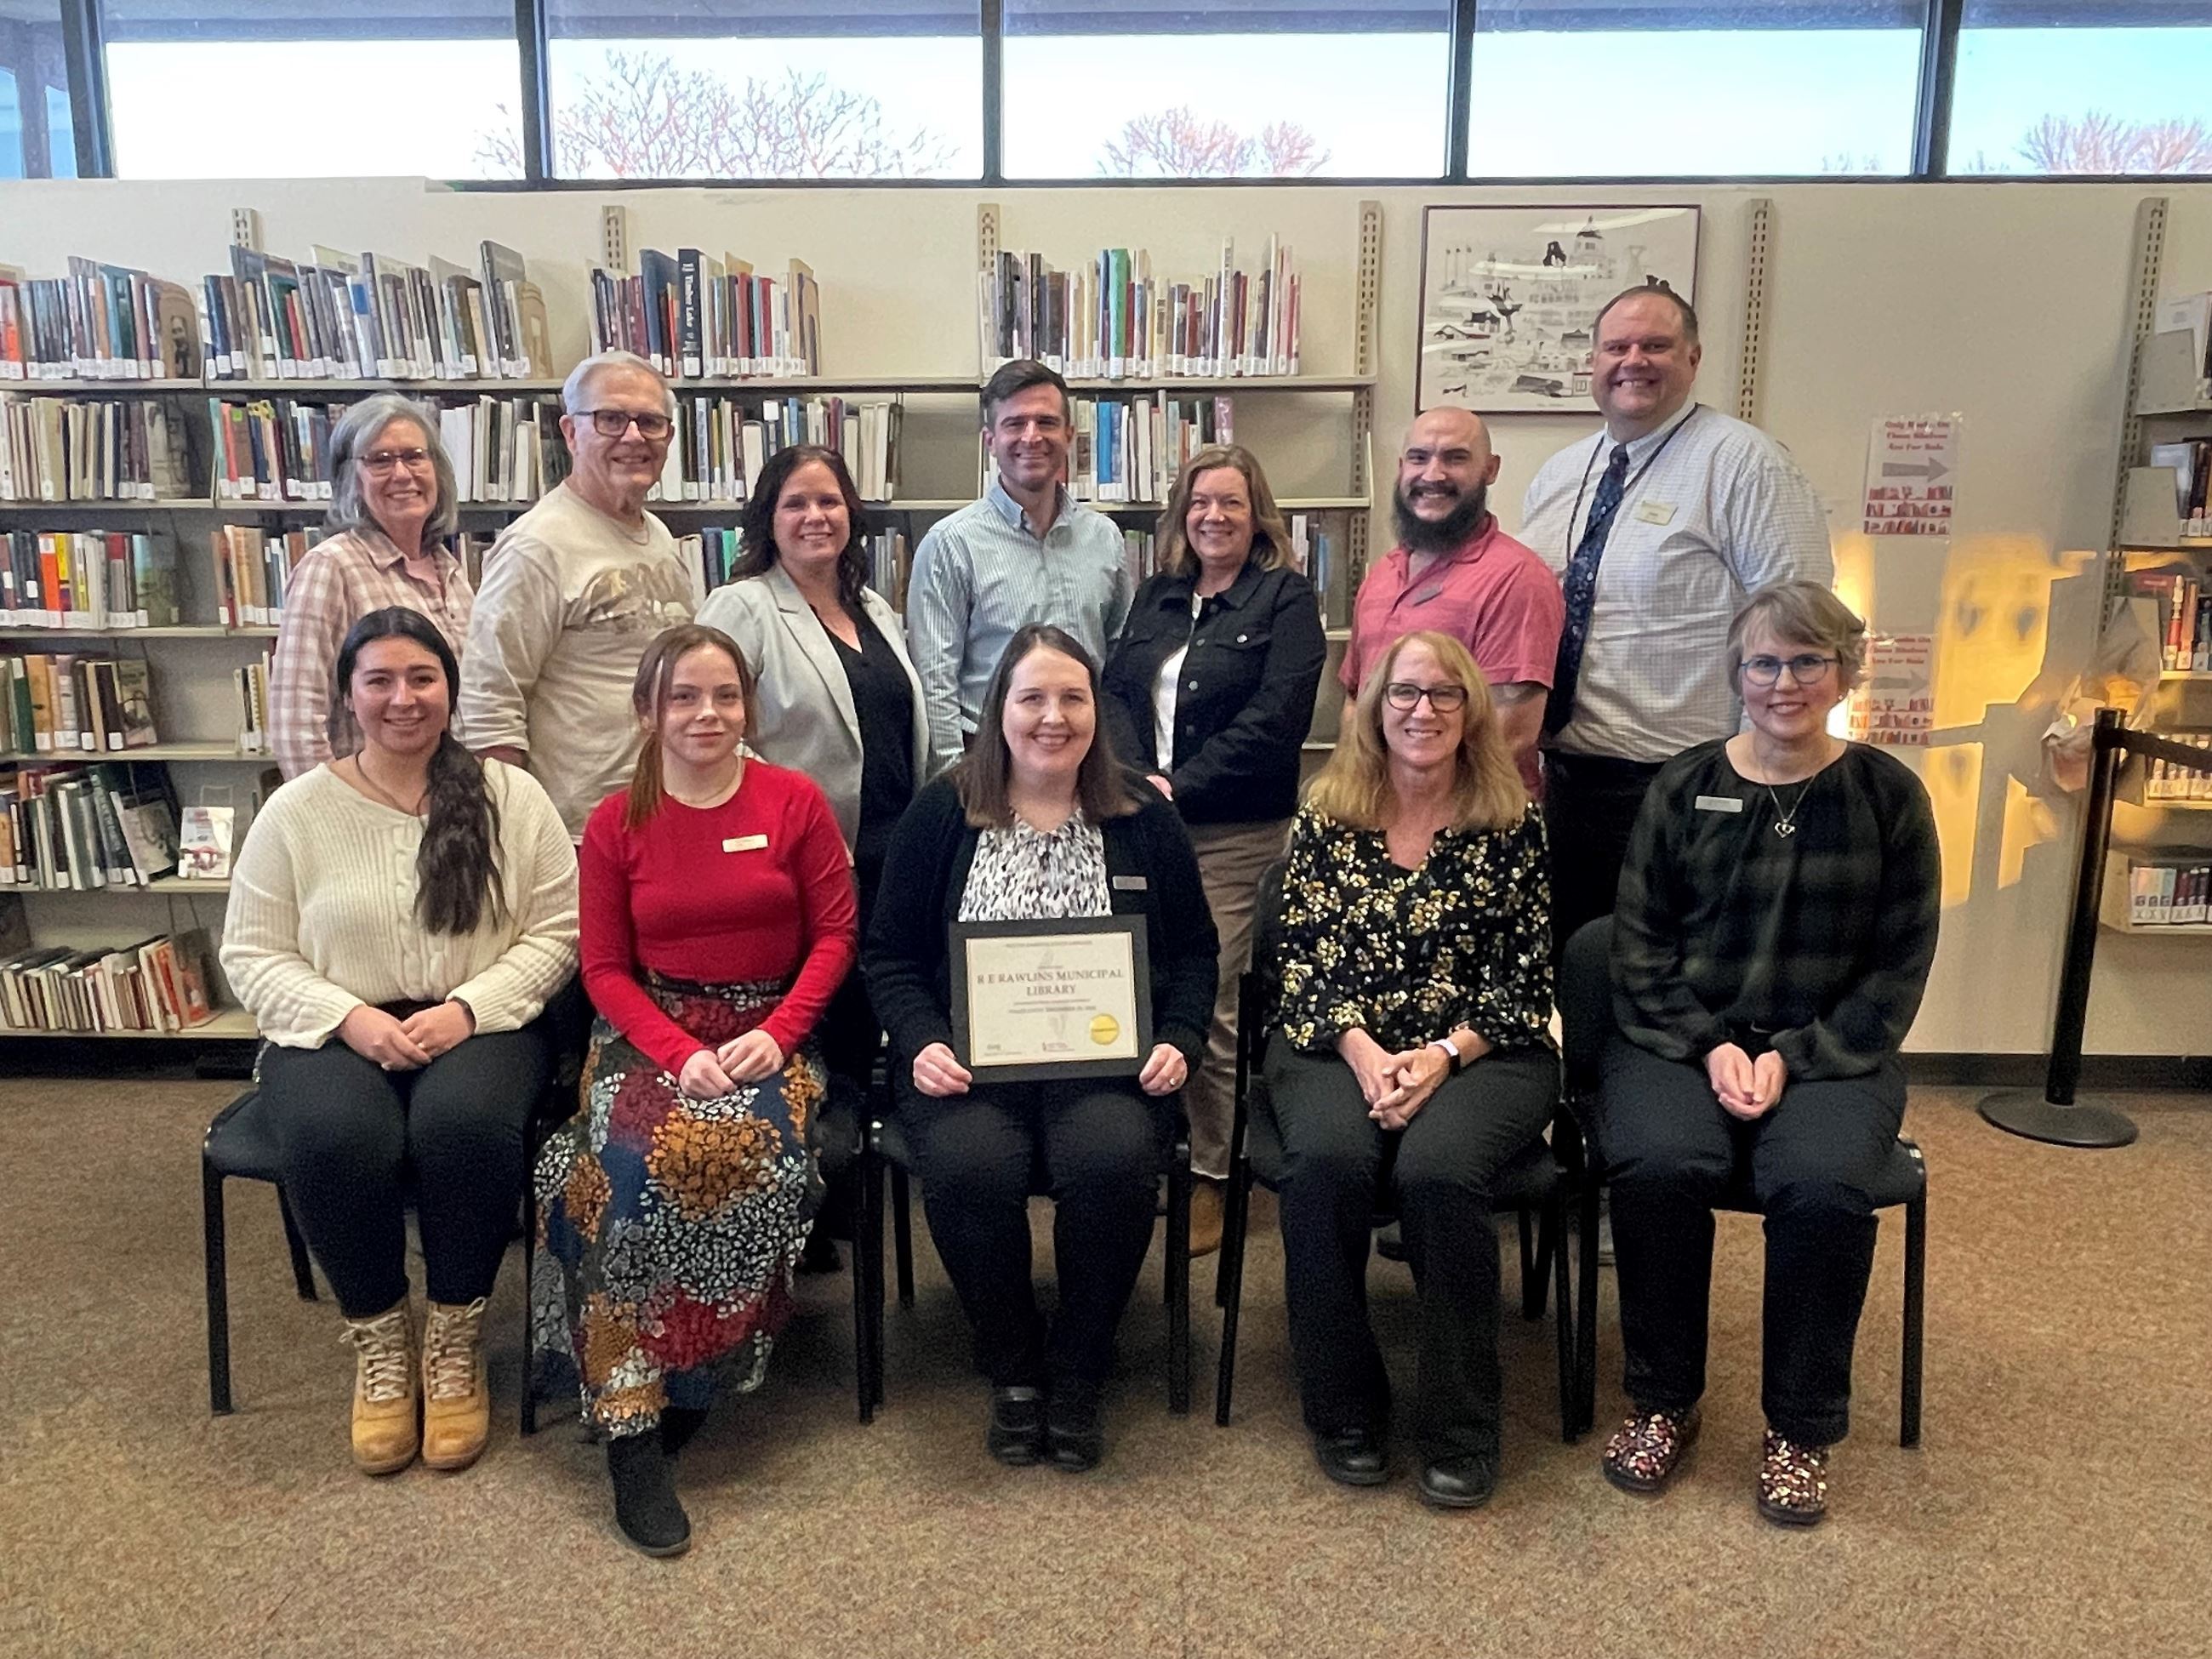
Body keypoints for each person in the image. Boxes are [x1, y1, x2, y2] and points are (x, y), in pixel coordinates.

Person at [1596, 582, 1940, 1529]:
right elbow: (1638, 950)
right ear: (1736, 673)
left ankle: (1798, 1428)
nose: (1783, 683)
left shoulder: (1888, 797)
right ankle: (1663, 1402)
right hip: (1679, 1044)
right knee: (1657, 1164)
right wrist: (1709, 1046)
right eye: (1763, 663)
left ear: (1844, 672)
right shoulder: (1681, 786)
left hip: (1832, 1053)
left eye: (1806, 661)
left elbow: (1897, 967)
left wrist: (1794, 1055)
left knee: (1823, 1186)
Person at [219, 607, 579, 1478]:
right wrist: (349, 1017)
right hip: (335, 1024)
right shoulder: (297, 811)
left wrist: (468, 1008)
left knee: (463, 1125)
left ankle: (454, 1334)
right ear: (347, 696)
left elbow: (559, 930)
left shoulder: (510, 797)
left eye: (422, 678)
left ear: (450, 690)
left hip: (480, 1019)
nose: (402, 698)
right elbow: (252, 953)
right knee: (334, 1133)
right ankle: (380, 1336)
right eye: (378, 680)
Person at [531, 623, 856, 1557]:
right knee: (620, 1173)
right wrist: (676, 1054)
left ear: (747, 707)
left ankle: (696, 1378)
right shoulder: (612, 822)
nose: (706, 714)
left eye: (724, 695)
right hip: (647, 1032)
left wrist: (775, 1035)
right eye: (682, 697)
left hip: (767, 1029)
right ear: (647, 712)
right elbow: (603, 968)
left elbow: (835, 937)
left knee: (735, 1156)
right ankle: (630, 1423)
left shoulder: (794, 803)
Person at [864, 625, 1217, 1474]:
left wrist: (1178, 1037)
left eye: (1072, 698)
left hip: (1107, 1067)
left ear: (1097, 711)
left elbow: (1196, 953)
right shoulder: (943, 811)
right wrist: (920, 1041)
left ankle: (1081, 1364)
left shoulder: (1143, 815)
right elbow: (890, 955)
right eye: (1032, 698)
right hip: (967, 1066)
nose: (1052, 718)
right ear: (999, 710)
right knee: (969, 1166)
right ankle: (1014, 1366)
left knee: (1111, 1158)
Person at [1268, 630, 1557, 1510]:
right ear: (1372, 707)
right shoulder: (1327, 812)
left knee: (1439, 1170)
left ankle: (1461, 1428)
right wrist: (1362, 1053)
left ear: (1470, 710)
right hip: (1335, 1042)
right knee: (1326, 1163)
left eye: (1442, 694)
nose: (1421, 710)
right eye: (1403, 692)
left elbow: (1524, 982)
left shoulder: (1511, 822)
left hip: (1483, 1053)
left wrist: (1440, 1056)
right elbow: (1298, 961)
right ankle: (1344, 1410)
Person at [1520, 285, 1833, 952]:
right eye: (1617, 347)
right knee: (1579, 971)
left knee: (1673, 978)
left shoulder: (1744, 465)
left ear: (1692, 359)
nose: (1633, 361)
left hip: (1691, 788)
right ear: (1593, 362)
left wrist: (1767, 785)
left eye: (1655, 345)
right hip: (1570, 786)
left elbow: (1800, 625)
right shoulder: (1559, 475)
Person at [1100, 443, 1325, 1252]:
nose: (1214, 517)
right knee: (1135, 986)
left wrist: (1179, 785)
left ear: (1257, 514)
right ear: (1181, 515)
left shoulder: (1285, 598)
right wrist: (1136, 781)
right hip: (1142, 825)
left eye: (1231, 502)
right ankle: (1147, 1148)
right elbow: (1114, 693)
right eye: (1200, 503)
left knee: (1214, 998)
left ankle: (1214, 1173)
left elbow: (1277, 720)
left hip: (1233, 834)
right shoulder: (1157, 594)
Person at [695, 443, 927, 1097]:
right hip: (799, 858)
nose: (815, 516)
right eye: (795, 503)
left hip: (888, 852)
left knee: (872, 1016)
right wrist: (785, 816)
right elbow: (707, 734)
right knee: (821, 1033)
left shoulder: (873, 608)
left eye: (829, 501)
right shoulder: (742, 606)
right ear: (768, 519)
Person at [459, 350, 696, 841]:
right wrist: (516, 836)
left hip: (664, 815)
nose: (634, 437)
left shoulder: (658, 536)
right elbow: (490, 707)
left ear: (669, 438)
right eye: (611, 419)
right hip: (576, 834)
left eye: (651, 422)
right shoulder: (536, 547)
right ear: (570, 432)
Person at [904, 360, 1134, 776]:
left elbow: (1121, 660)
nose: (1032, 437)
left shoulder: (1104, 538)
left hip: (1084, 757)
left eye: (1046, 422)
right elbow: (936, 682)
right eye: (1015, 424)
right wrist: (955, 784)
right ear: (990, 441)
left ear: (1069, 435)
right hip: (988, 761)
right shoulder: (951, 544)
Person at [1339, 408, 1561, 795]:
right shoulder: (1382, 574)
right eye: (1419, 457)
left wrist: (1415, 807)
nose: (1433, 475)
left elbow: (1511, 732)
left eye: (1455, 458)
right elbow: (1356, 702)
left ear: (1490, 470)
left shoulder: (1516, 578)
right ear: (1401, 468)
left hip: (1471, 813)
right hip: (1376, 805)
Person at [269, 394, 474, 780]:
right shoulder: (331, 568)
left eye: (414, 456)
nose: (402, 474)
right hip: (370, 800)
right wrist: (336, 808)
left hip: (448, 799)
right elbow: (295, 726)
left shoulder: (449, 569)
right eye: (380, 460)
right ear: (351, 478)